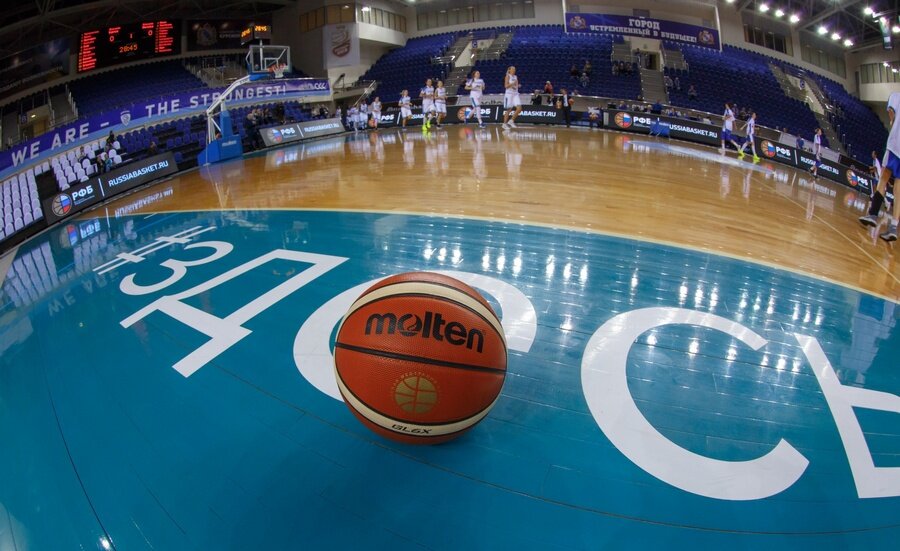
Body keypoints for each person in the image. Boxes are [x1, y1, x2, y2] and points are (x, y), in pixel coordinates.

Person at [859, 92, 899, 240]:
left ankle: (873, 214)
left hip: (895, 146)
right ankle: (893, 227)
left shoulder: (896, 96)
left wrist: (892, 121)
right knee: (898, 190)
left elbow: (891, 111)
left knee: (883, 179)